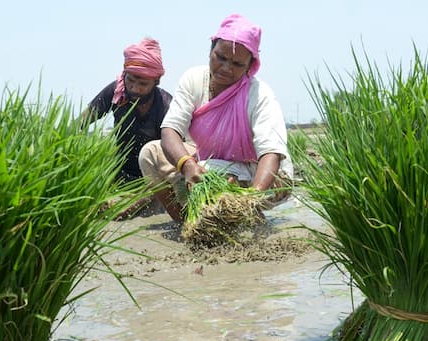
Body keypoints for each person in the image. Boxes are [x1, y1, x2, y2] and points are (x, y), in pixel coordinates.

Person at [139, 13, 294, 222]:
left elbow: (270, 153)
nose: (226, 68)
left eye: (237, 64)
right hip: (212, 161)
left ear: (250, 66)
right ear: (211, 49)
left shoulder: (259, 95)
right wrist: (187, 165)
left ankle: (242, 213)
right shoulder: (194, 80)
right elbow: (170, 131)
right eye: (221, 57)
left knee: (214, 174)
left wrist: (252, 197)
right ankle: (188, 223)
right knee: (149, 153)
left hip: (263, 173)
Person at [80, 38, 172, 183]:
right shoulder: (116, 92)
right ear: (124, 75)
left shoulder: (166, 106)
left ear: (156, 81)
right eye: (130, 80)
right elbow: (81, 121)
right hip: (119, 175)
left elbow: (174, 155)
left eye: (143, 84)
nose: (135, 88)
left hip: (155, 180)